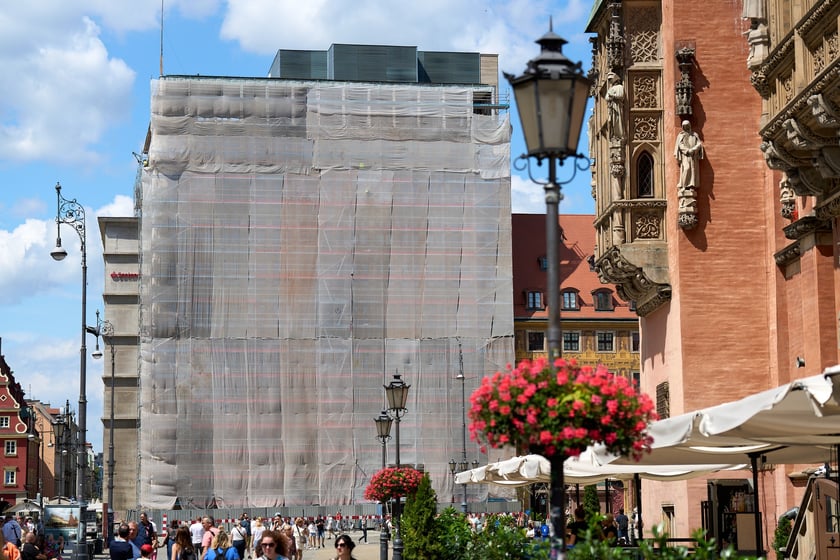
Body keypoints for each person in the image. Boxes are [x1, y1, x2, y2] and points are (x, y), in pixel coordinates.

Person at [674, 120, 704, 191]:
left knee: (692, 170)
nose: (686, 127)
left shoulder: (694, 134)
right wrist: (687, 150)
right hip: (685, 156)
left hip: (693, 156)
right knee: (686, 168)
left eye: (687, 126)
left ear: (689, 126)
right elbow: (680, 145)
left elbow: (699, 144)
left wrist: (693, 150)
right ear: (683, 127)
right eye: (685, 126)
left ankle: (691, 186)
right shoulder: (681, 135)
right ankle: (683, 185)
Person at [606, 72, 625, 142]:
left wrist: (613, 96)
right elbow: (607, 97)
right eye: (609, 79)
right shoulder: (611, 88)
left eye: (611, 79)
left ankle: (619, 135)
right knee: (610, 121)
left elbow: (621, 95)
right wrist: (611, 97)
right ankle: (613, 135)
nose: (610, 81)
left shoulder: (620, 87)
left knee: (618, 120)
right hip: (612, 107)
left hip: (617, 106)